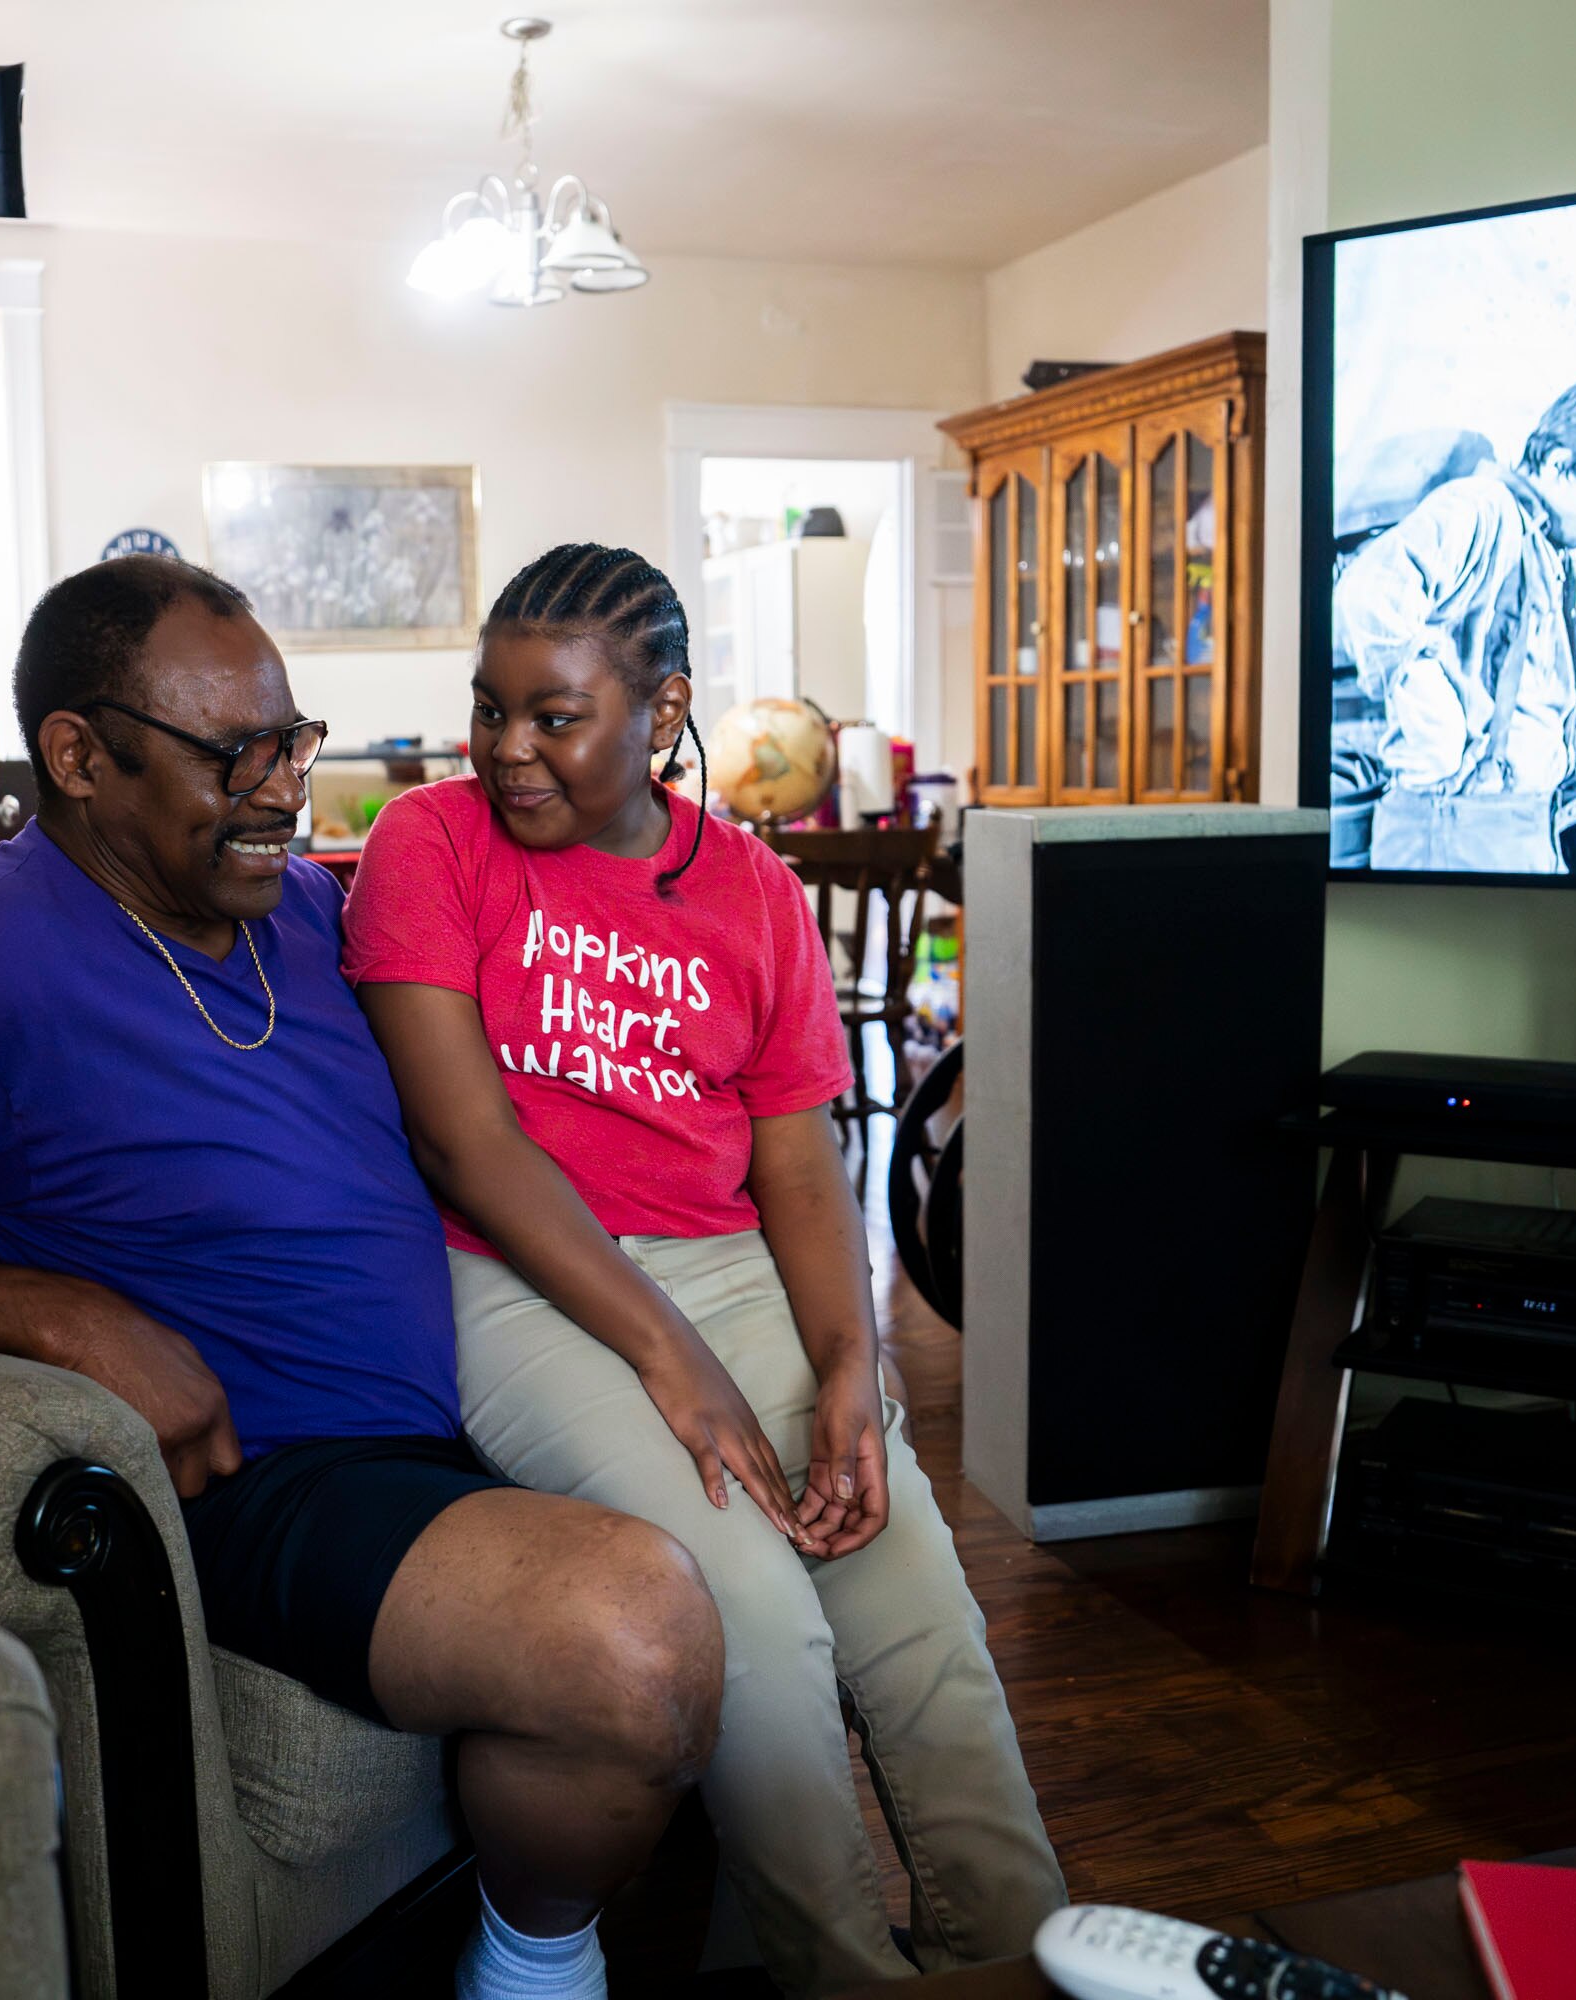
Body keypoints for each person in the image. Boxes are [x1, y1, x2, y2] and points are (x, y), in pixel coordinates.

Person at [0, 555, 721, 2000]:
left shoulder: (296, 914)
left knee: (764, 1515)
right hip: (269, 1470)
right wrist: (60, 1313)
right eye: (234, 754)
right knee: (636, 1639)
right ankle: (533, 1974)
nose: (284, 789)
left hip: (460, 1398)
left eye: (290, 741)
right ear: (82, 756)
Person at [339, 545, 1065, 1996]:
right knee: (755, 1602)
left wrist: (855, 1372)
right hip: (517, 1272)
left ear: (664, 712)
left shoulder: (749, 887)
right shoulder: (433, 844)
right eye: (492, 710)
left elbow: (799, 1168)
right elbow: (469, 1146)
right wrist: (677, 1361)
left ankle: (1031, 1963)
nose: (508, 749)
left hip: (725, 1260)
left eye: (556, 717)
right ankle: (839, 1972)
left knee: (919, 1611)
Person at [1334, 376, 1576, 873]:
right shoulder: (1479, 509)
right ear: (1561, 464)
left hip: (1508, 820)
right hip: (1453, 823)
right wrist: (1435, 729)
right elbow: (1370, 594)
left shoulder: (1549, 547)